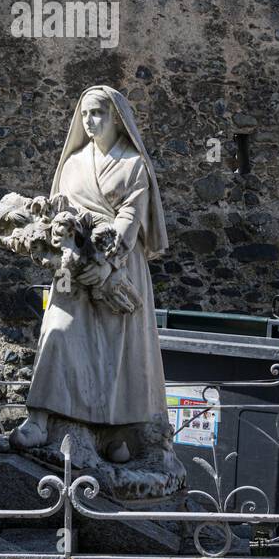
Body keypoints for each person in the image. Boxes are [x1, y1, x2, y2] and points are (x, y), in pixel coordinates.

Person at [11, 85, 168, 463]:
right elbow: (60, 208)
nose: (89, 121)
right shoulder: (72, 164)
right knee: (58, 332)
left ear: (116, 116)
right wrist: (45, 219)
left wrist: (107, 262)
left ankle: (111, 432)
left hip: (118, 263)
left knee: (116, 351)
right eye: (84, 115)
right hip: (72, 262)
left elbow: (130, 218)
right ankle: (39, 419)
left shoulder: (133, 166)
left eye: (97, 113)